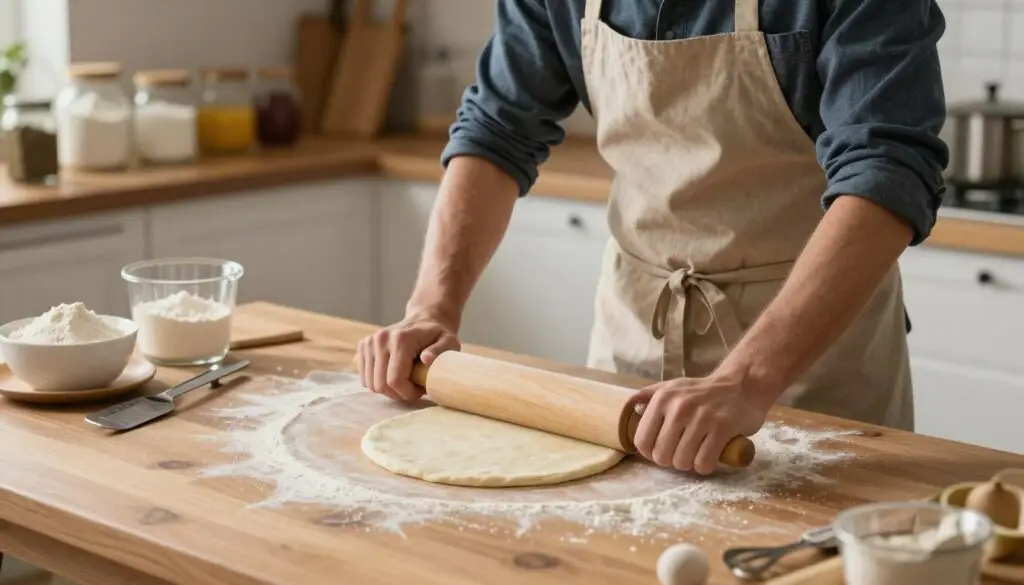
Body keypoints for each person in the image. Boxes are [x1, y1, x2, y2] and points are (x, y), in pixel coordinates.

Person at [355, 0, 948, 476]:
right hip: (632, 341)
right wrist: (431, 308)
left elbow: (885, 171)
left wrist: (745, 381)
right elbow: (495, 129)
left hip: (810, 359)